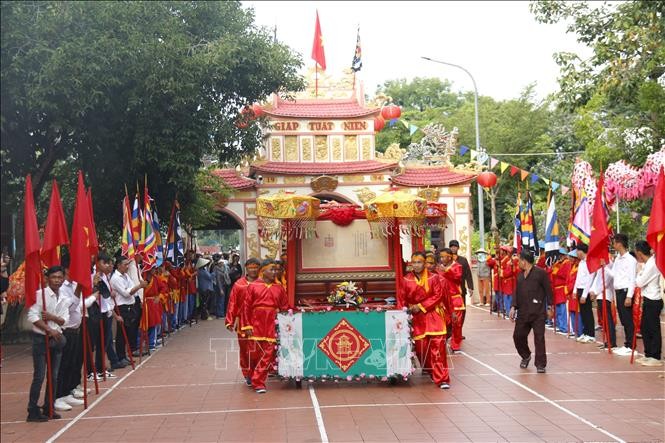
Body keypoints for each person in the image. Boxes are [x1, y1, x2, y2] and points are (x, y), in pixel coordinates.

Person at [399, 252, 451, 389]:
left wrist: (421, 306)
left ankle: (442, 379)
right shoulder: (406, 280)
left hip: (434, 315)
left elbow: (438, 295)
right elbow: (401, 299)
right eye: (414, 262)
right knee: (421, 349)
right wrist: (403, 314)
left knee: (438, 348)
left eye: (419, 262)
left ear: (424, 263)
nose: (417, 265)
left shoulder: (434, 278)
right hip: (417, 318)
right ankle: (430, 370)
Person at [26, 266, 69, 422]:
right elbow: (32, 316)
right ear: (47, 278)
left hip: (56, 339)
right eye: (54, 277)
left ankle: (49, 406)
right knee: (39, 375)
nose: (57, 280)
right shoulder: (40, 295)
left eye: (60, 277)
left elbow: (65, 319)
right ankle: (32, 409)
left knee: (54, 375)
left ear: (63, 279)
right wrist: (49, 329)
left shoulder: (64, 297)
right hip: (40, 339)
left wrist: (51, 317)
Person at [240, 259, 289, 393]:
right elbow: (246, 308)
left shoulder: (279, 288)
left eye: (276, 270)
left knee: (268, 354)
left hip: (271, 323)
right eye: (271, 270)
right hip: (256, 323)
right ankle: (252, 375)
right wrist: (247, 326)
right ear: (263, 271)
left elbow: (285, 307)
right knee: (254, 354)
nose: (275, 272)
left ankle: (259, 382)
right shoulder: (253, 286)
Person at [55, 265, 95, 411]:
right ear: (66, 270)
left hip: (76, 329)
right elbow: (70, 307)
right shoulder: (63, 288)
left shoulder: (72, 285)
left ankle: (67, 391)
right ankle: (57, 395)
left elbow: (79, 306)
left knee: (73, 363)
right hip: (65, 330)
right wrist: (78, 290)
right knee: (63, 365)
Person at [509, 250, 553, 373]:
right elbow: (516, 293)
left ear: (524, 261)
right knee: (517, 336)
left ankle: (540, 364)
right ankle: (526, 355)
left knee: (539, 338)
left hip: (538, 312)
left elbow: (548, 290)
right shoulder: (520, 276)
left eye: (519, 260)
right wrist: (513, 307)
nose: (518, 263)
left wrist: (550, 307)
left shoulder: (541, 274)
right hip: (523, 312)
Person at [226, 258, 261, 386]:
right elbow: (232, 303)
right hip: (242, 322)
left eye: (256, 267)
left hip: (259, 321)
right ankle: (247, 373)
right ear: (246, 268)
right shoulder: (239, 284)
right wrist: (230, 320)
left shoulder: (262, 283)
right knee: (245, 349)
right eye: (251, 267)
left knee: (259, 348)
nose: (253, 270)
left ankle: (258, 373)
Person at [110, 257, 147, 364]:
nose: (127, 267)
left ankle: (124, 355)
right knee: (121, 333)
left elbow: (132, 289)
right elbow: (126, 293)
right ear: (119, 265)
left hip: (129, 306)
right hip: (121, 307)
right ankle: (120, 356)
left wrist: (137, 288)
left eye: (127, 264)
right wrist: (139, 286)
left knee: (128, 331)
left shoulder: (126, 276)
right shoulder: (115, 278)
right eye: (125, 264)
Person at [634, 241, 663, 366]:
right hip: (648, 299)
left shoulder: (652, 264)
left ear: (640, 253)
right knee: (645, 328)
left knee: (653, 329)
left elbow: (640, 282)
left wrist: (639, 271)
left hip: (654, 300)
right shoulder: (648, 263)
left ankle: (655, 356)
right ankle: (648, 354)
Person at [611, 234, 637, 355]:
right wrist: (604, 266)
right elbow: (613, 274)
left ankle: (631, 345)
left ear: (620, 243)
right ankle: (628, 344)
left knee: (627, 319)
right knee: (623, 318)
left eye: (614, 242)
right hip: (618, 291)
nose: (613, 245)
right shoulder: (617, 259)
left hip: (626, 291)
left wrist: (629, 296)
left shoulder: (630, 260)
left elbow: (632, 278)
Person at [438, 248, 464, 352]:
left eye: (443, 256)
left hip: (455, 299)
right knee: (443, 323)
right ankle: (442, 341)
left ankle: (456, 344)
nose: (442, 259)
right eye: (441, 257)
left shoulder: (457, 266)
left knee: (456, 324)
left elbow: (457, 277)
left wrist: (446, 270)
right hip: (442, 300)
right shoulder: (439, 268)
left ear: (450, 257)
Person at [589, 260, 618, 351]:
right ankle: (607, 340)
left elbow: (606, 280)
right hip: (600, 295)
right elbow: (597, 278)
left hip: (606, 295)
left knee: (608, 319)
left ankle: (611, 341)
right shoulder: (601, 263)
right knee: (604, 320)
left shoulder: (608, 263)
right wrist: (592, 290)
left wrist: (596, 292)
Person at [573, 243, 595, 343]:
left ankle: (591, 335)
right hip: (580, 289)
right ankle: (586, 333)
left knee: (588, 312)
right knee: (583, 312)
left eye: (577, 250)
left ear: (582, 251)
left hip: (586, 290)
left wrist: (584, 294)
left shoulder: (589, 262)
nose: (576, 253)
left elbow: (589, 279)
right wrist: (574, 290)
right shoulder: (581, 262)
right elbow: (578, 278)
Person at [549, 248, 571, 334]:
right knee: (557, 309)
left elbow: (562, 273)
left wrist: (555, 271)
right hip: (555, 288)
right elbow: (552, 273)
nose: (560, 256)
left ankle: (564, 327)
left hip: (561, 288)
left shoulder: (567, 263)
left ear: (565, 255)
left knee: (562, 308)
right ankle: (558, 324)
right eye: (559, 255)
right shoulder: (557, 263)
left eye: (562, 255)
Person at [449, 240, 474, 314]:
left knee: (462, 310)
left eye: (455, 246)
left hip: (461, 289)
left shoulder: (463, 260)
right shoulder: (446, 260)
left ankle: (460, 324)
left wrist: (470, 287)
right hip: (450, 290)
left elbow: (468, 274)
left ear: (458, 248)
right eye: (452, 246)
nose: (453, 248)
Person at [565, 249, 583, 339]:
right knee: (572, 312)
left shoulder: (579, 267)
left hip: (575, 292)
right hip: (570, 293)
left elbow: (575, 281)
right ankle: (575, 331)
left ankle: (580, 332)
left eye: (572, 257)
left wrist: (567, 289)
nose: (570, 259)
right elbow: (568, 279)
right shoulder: (572, 267)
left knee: (577, 313)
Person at [500, 246, 517, 317]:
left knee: (509, 298)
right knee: (506, 297)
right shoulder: (507, 260)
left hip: (510, 281)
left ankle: (509, 312)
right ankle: (507, 311)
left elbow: (509, 272)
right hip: (506, 282)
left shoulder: (512, 260)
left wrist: (503, 273)